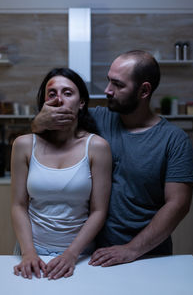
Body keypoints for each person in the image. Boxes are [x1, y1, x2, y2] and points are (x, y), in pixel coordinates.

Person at [32, 50, 193, 267]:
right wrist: (37, 123)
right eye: (109, 81)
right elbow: (47, 130)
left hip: (148, 256)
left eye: (118, 85)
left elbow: (178, 205)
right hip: (94, 254)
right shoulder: (97, 120)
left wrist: (131, 250)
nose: (108, 90)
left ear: (144, 90)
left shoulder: (174, 140)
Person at [11, 68, 112, 280]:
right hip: (31, 253)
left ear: (81, 102)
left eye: (67, 93)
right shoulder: (24, 144)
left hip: (79, 256)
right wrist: (28, 252)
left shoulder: (96, 147)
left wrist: (70, 255)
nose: (59, 99)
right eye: (52, 93)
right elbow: (18, 205)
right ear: (44, 103)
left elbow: (98, 211)